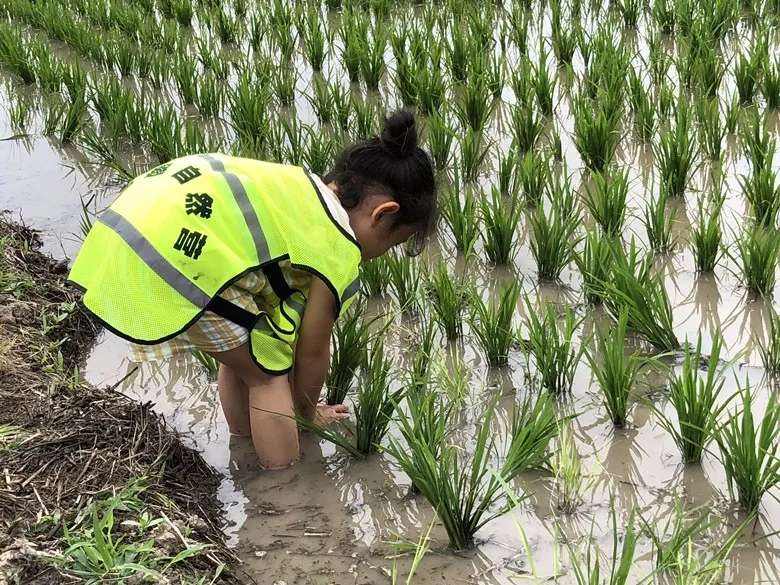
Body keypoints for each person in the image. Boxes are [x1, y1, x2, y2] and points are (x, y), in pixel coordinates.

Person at [68, 110, 437, 469]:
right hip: (177, 253)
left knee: (245, 351)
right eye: (391, 244)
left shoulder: (298, 186)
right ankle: (283, 490)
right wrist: (306, 414)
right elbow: (311, 352)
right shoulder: (337, 247)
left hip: (135, 220)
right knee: (267, 371)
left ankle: (243, 444)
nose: (377, 256)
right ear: (382, 215)